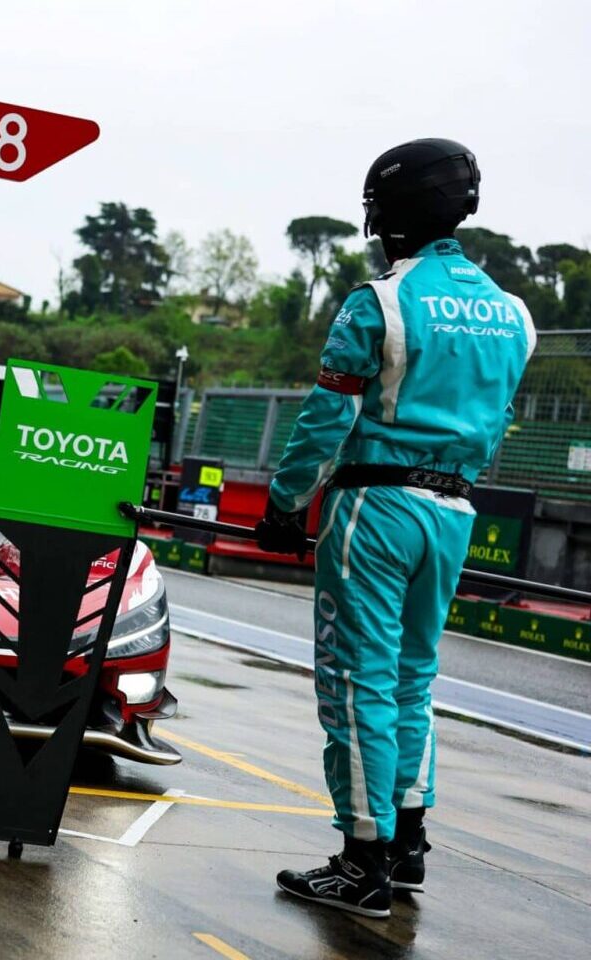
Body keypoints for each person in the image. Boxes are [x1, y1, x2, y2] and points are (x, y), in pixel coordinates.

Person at [258, 139, 535, 917]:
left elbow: (325, 419)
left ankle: (360, 859)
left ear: (394, 213)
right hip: (454, 511)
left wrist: (285, 505)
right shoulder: (514, 316)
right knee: (414, 680)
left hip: (375, 509)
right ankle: (407, 843)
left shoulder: (375, 303)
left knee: (356, 682)